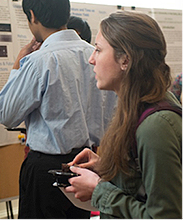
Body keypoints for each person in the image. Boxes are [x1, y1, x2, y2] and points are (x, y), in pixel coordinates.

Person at [0, 0, 117, 218]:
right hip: (88, 165)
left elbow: (6, 115)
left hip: (45, 172)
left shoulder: (39, 60)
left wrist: (18, 64)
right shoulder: (95, 55)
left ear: (32, 15)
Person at [65, 11, 182, 218]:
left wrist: (99, 191)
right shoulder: (141, 105)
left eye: (99, 50)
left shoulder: (156, 126)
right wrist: (111, 167)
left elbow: (165, 216)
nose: (91, 59)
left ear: (125, 60)